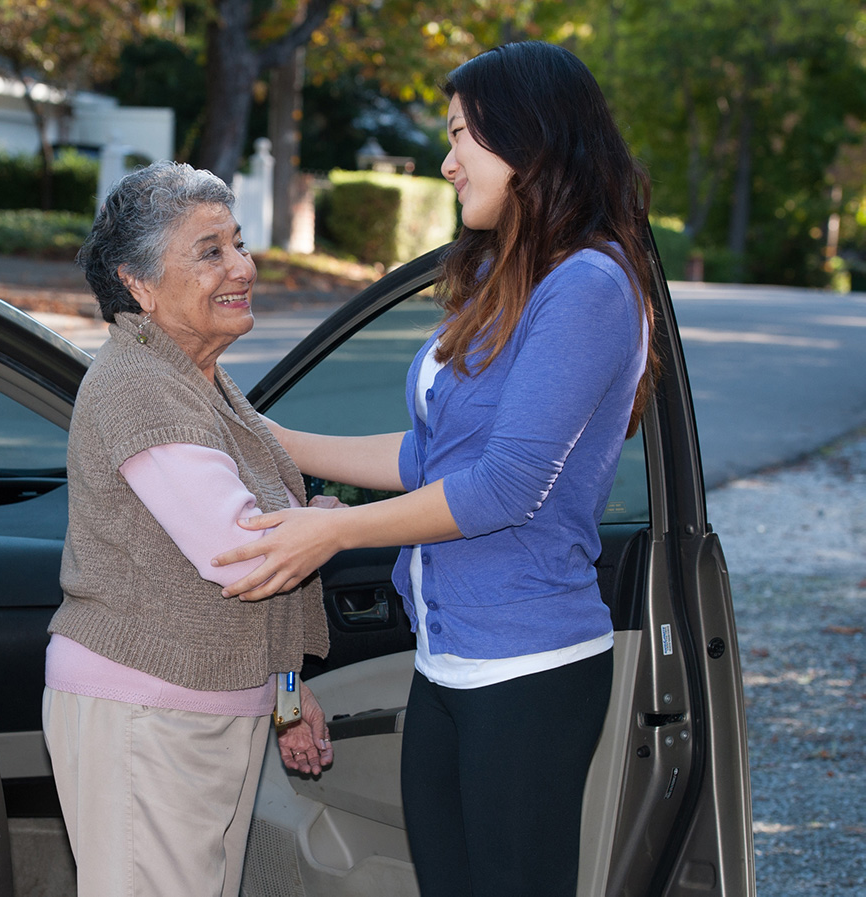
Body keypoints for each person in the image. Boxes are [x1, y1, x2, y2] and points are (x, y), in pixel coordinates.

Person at [212, 41, 659, 896]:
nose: (447, 163)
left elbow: (503, 487)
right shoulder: (504, 276)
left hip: (527, 670)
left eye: (460, 136)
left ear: (527, 140)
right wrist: (262, 434)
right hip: (446, 659)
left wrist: (332, 528)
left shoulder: (590, 288)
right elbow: (429, 456)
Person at [42, 160, 334, 897]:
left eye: (236, 242)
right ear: (137, 284)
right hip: (147, 716)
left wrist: (288, 693)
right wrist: (333, 523)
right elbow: (245, 553)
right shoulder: (142, 386)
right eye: (210, 251)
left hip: (197, 709)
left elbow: (256, 546)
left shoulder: (192, 374)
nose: (242, 265)